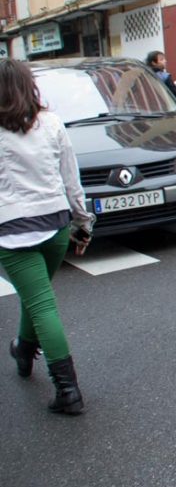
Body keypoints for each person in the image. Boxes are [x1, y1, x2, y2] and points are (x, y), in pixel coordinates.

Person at [0, 58, 94, 415]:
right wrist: (83, 225)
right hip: (55, 227)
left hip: (12, 233)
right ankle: (24, 350)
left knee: (40, 303)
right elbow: (72, 181)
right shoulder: (52, 123)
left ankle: (68, 391)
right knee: (36, 295)